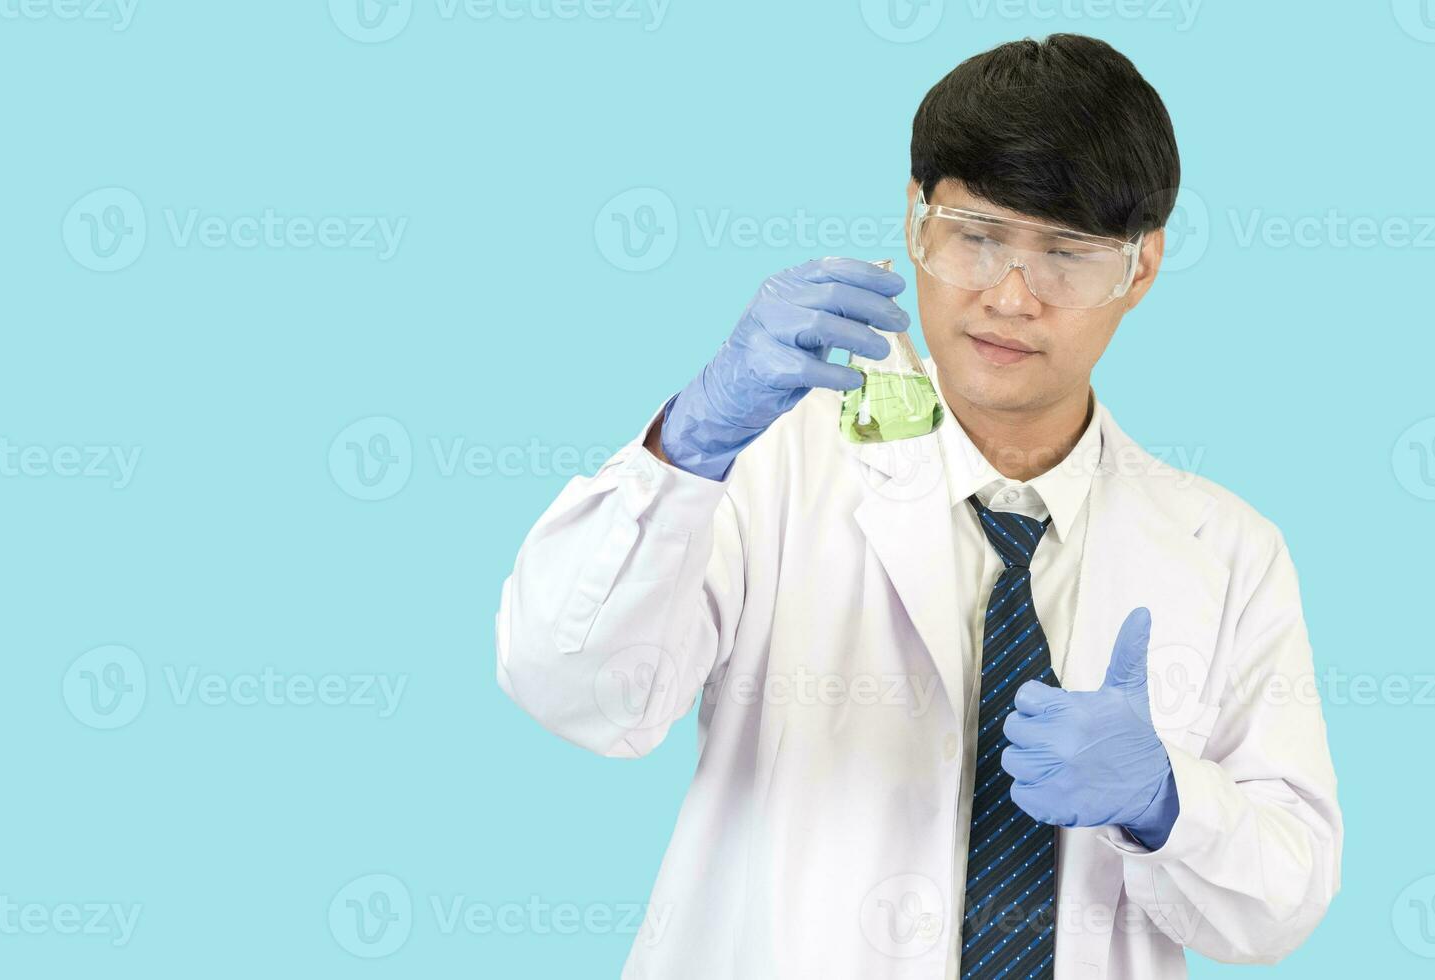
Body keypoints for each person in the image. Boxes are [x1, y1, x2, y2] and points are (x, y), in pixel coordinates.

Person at [495, 33, 1342, 980]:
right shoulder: (769, 468)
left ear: (1140, 268)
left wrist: (1164, 802)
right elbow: (574, 690)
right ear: (916, 223)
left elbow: (1282, 905)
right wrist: (687, 447)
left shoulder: (1227, 551)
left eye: (1066, 254)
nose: (1011, 297)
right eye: (976, 236)